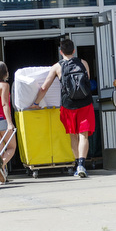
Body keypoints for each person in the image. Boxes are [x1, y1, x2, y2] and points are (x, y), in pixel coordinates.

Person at [32, 37, 94, 178]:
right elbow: (87, 81)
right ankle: (81, 166)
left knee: (73, 135)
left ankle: (77, 164)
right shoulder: (83, 63)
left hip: (68, 105)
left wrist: (36, 103)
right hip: (85, 104)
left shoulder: (57, 67)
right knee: (83, 135)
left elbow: (44, 88)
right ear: (74, 50)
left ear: (61, 52)